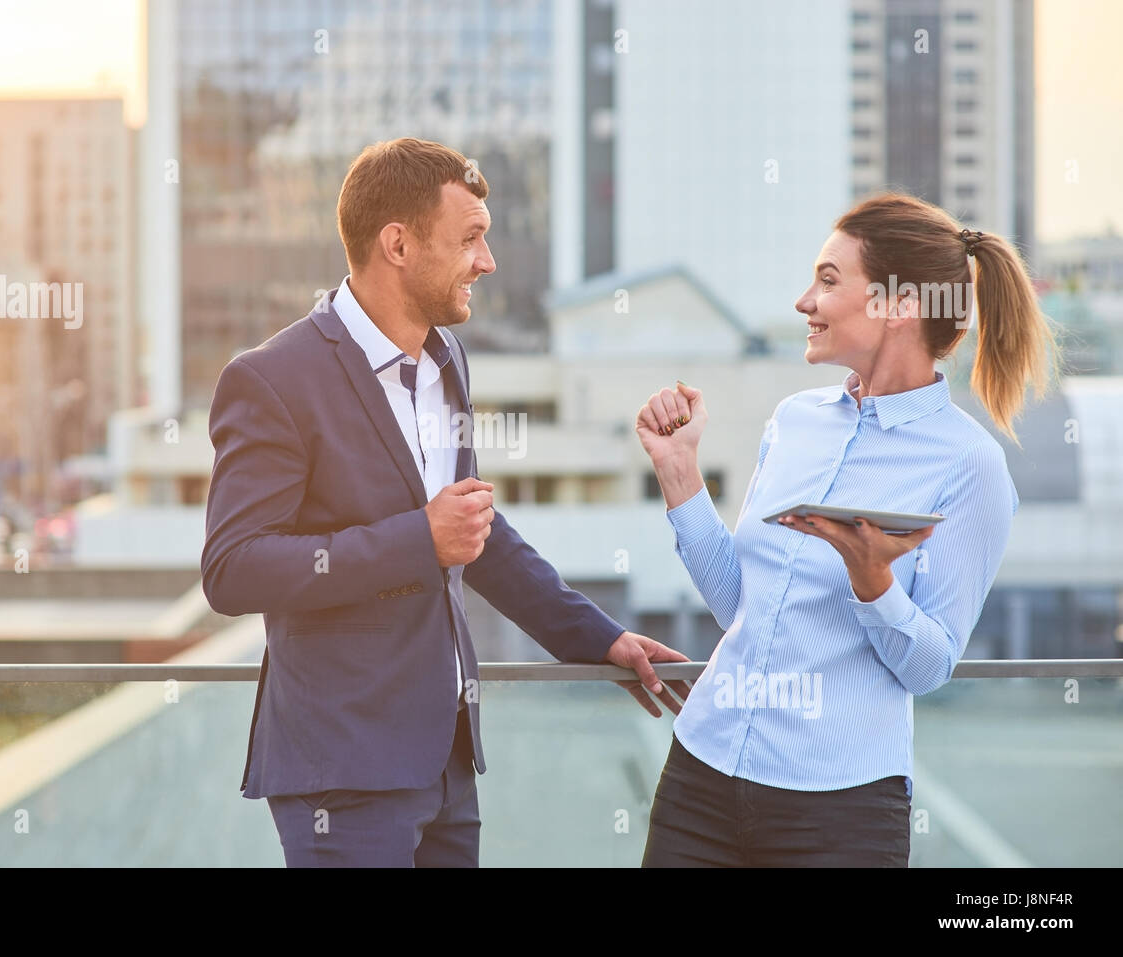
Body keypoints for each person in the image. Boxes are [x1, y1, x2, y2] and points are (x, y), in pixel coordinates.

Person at [202, 137, 690, 868]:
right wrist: (416, 538)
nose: (487, 262)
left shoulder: (448, 359)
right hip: (343, 770)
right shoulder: (272, 380)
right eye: (470, 239)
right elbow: (233, 569)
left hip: (448, 762)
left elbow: (473, 532)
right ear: (396, 244)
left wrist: (596, 637)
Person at [636, 192, 1059, 867]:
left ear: (898, 305)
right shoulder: (793, 420)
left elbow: (929, 665)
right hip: (701, 776)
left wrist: (874, 582)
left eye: (829, 281)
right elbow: (737, 605)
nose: (805, 301)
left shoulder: (970, 465)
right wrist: (679, 470)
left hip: (838, 815)